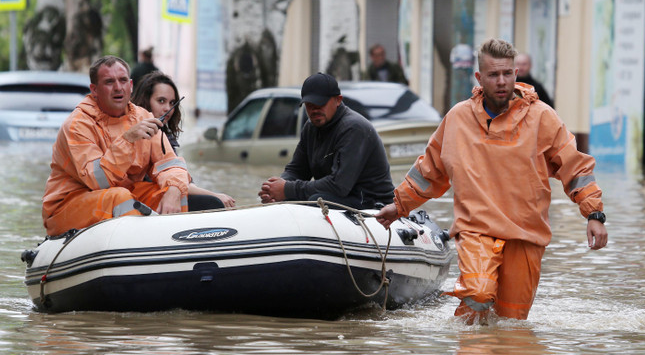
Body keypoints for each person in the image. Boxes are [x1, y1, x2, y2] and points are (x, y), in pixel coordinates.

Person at [375, 38, 608, 323]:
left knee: (511, 324)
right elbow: (429, 171)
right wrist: (399, 206)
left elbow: (575, 166)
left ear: (515, 74)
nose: (501, 81)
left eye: (507, 73)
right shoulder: (458, 118)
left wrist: (594, 213)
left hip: (526, 234)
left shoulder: (542, 118)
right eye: (493, 74)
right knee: (478, 293)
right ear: (479, 77)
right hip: (477, 229)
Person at [42, 55, 189, 237]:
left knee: (175, 192)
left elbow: (170, 164)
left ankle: (170, 248)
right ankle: (141, 248)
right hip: (68, 205)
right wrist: (127, 139)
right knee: (119, 197)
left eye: (123, 80)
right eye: (109, 82)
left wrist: (174, 190)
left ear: (131, 85)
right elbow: (99, 181)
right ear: (94, 90)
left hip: (121, 195)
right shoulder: (77, 124)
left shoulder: (143, 116)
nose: (118, 87)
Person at [258, 72, 395, 209]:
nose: (315, 110)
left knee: (316, 200)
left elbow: (339, 185)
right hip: (341, 197)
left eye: (320, 103)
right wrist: (275, 189)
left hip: (372, 202)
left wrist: (287, 189)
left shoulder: (353, 128)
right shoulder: (310, 128)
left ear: (338, 100)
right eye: (310, 105)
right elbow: (297, 170)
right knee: (293, 199)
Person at [131, 71, 236, 209]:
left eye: (172, 103)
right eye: (161, 101)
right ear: (145, 100)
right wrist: (215, 195)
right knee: (213, 203)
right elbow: (173, 183)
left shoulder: (164, 136)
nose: (167, 108)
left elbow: (181, 180)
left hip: (162, 198)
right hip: (143, 204)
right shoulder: (138, 134)